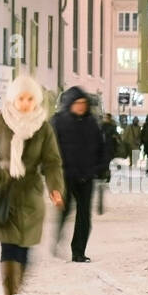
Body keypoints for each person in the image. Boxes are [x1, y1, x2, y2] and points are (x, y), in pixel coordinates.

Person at [0, 75, 65, 295]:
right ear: (12, 99)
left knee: (24, 253)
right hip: (4, 194)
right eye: (21, 98)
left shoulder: (43, 127)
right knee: (9, 251)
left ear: (36, 100)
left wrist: (55, 187)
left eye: (30, 99)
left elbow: (52, 162)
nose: (25, 104)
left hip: (30, 195)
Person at [50, 86, 103, 262]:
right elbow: (49, 149)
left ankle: (78, 252)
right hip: (66, 174)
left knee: (84, 215)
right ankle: (58, 238)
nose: (81, 106)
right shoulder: (58, 122)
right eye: (77, 103)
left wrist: (102, 167)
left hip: (86, 175)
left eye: (84, 103)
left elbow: (100, 147)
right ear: (69, 104)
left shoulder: (91, 123)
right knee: (64, 210)